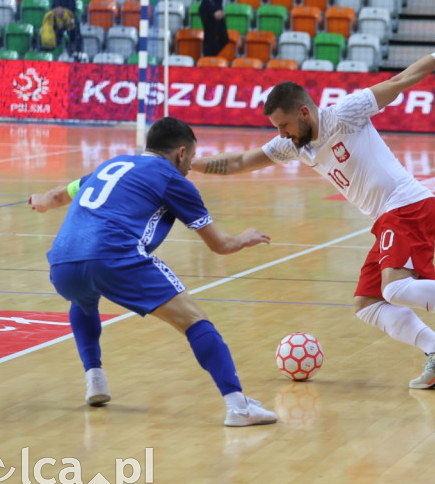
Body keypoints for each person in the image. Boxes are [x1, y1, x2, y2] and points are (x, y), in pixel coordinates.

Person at [191, 21, 435, 390]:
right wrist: (189, 164)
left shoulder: (343, 114)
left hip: (407, 204)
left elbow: (398, 83)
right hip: (387, 218)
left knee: (395, 289)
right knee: (368, 303)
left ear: (304, 113)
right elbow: (238, 161)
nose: (280, 134)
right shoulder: (292, 146)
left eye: (283, 125)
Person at [28, 117, 276, 427]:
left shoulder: (110, 166)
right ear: (181, 153)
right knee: (194, 320)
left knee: (82, 299)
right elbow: (220, 245)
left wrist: (39, 202)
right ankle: (239, 407)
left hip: (61, 261)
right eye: (192, 158)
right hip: (114, 255)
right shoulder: (174, 179)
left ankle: (95, 378)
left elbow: (55, 197)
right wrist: (244, 237)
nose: (190, 166)